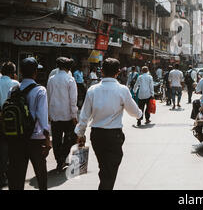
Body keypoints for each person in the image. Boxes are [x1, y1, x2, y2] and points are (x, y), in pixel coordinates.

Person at [75, 58, 142, 190]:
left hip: (97, 135)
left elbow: (84, 116)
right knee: (109, 171)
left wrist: (80, 133)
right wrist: (140, 114)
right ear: (118, 72)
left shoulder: (92, 90)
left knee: (105, 168)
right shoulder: (122, 90)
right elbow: (134, 112)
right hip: (114, 136)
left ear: (102, 72)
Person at [7, 57, 51, 190]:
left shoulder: (13, 90)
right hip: (35, 138)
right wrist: (47, 139)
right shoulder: (40, 90)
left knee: (17, 176)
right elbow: (43, 118)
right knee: (41, 174)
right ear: (35, 72)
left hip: (17, 137)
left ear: (20, 72)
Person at [47, 57, 78, 173]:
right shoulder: (70, 80)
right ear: (69, 68)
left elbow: (48, 97)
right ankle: (62, 158)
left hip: (55, 115)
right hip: (68, 116)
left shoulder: (51, 79)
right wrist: (74, 115)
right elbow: (73, 100)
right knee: (71, 138)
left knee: (56, 139)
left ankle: (59, 161)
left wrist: (49, 114)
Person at [0, 62, 20, 187]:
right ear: (13, 73)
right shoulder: (15, 84)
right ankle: (5, 174)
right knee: (7, 147)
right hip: (9, 119)